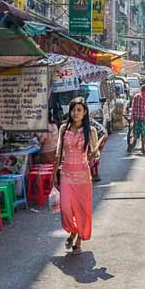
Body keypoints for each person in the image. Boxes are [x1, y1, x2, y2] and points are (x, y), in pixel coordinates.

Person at [54, 98, 99, 254]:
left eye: (79, 110)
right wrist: (55, 174)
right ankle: (73, 230)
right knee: (66, 207)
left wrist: (94, 155)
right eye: (73, 109)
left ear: (85, 112)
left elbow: (94, 154)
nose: (76, 113)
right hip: (66, 173)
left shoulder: (90, 130)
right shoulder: (63, 129)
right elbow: (58, 153)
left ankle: (79, 238)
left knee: (82, 209)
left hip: (83, 175)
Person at [128, 83, 145, 154]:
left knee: (136, 133)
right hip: (144, 118)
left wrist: (132, 117)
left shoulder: (136, 97)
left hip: (136, 118)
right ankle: (142, 148)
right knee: (144, 133)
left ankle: (132, 145)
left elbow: (133, 108)